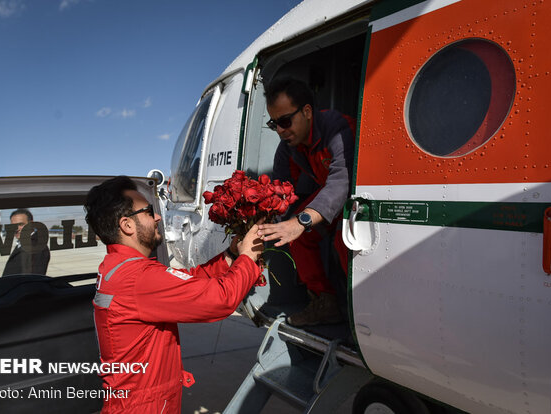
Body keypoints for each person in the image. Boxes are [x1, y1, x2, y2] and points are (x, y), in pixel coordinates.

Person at [84, 176, 263, 413]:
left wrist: (231, 256)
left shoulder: (120, 268)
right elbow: (220, 300)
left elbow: (188, 281)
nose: (157, 216)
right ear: (127, 225)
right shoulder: (137, 278)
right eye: (148, 212)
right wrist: (248, 258)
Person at [257, 77, 355, 327]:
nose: (279, 130)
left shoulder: (338, 129)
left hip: (356, 195)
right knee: (297, 232)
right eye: (274, 124)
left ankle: (360, 311)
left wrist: (300, 221)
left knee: (343, 240)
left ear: (307, 112)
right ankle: (325, 302)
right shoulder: (289, 147)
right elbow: (280, 192)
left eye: (284, 121)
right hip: (330, 197)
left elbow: (341, 182)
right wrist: (263, 222)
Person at [2, 208, 50, 276]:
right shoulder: (24, 242)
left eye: (21, 224)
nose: (16, 229)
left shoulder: (37, 247)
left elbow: (32, 280)